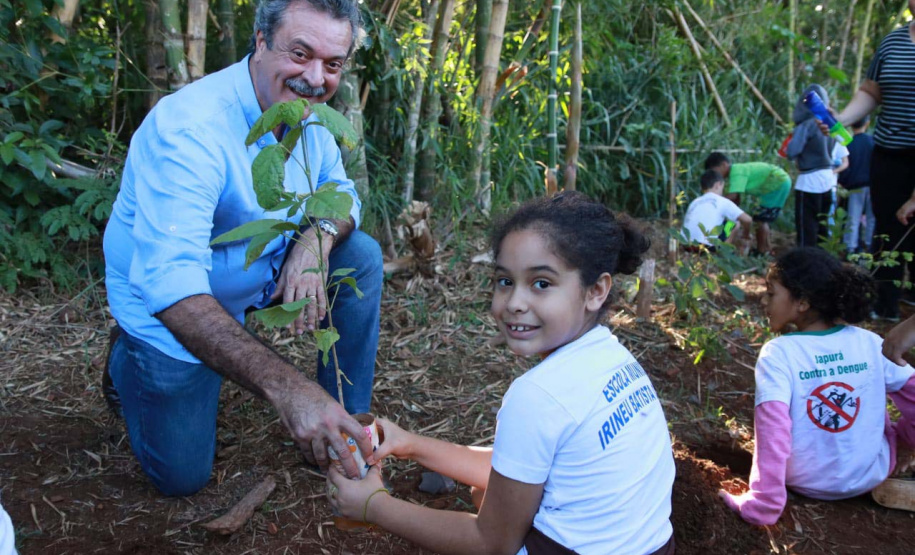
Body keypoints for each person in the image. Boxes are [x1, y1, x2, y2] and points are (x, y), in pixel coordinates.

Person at [102, 0, 383, 497]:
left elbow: (344, 196)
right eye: (300, 53)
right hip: (173, 306)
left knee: (358, 256)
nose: (316, 79)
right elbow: (174, 286)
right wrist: (290, 389)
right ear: (259, 40)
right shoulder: (190, 130)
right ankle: (129, 356)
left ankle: (343, 422)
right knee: (182, 478)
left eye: (333, 64)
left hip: (259, 274)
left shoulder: (310, 116)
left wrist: (315, 240)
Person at [326, 192, 676, 555]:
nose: (514, 303)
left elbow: (492, 543)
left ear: (595, 290)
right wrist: (410, 444)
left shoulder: (538, 396)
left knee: (489, 504)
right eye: (505, 281)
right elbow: (520, 465)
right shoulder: (614, 358)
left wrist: (374, 506)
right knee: (486, 492)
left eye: (541, 283)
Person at [719, 248, 915, 525]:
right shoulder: (868, 342)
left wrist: (764, 504)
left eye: (771, 292)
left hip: (805, 480)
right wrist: (907, 443)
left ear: (802, 302)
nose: (764, 300)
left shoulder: (779, 353)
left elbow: (773, 430)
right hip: (871, 474)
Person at [826, 0, 915, 318]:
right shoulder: (893, 40)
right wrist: (841, 119)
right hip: (888, 155)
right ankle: (885, 305)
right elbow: (871, 92)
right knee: (886, 232)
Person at [704, 152, 792, 255]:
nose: (716, 176)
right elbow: (735, 199)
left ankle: (761, 251)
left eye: (715, 172)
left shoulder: (736, 173)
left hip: (777, 184)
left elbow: (733, 197)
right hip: (777, 183)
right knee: (762, 219)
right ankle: (766, 248)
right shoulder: (737, 172)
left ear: (724, 165)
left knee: (760, 220)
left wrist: (715, 202)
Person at [786, 85, 841, 248]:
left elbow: (792, 151)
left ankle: (805, 268)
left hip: (809, 180)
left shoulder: (807, 125)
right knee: (823, 230)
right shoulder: (832, 124)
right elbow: (843, 145)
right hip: (829, 179)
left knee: (806, 231)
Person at [681, 169, 752, 253]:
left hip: (686, 244)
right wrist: (746, 234)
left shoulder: (695, 201)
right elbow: (748, 219)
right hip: (707, 247)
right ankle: (724, 251)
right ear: (718, 185)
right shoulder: (722, 201)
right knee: (735, 223)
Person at [838, 117, 876, 254]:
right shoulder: (873, 142)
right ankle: (870, 247)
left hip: (855, 187)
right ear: (867, 123)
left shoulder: (848, 144)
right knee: (871, 218)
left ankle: (850, 248)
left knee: (853, 218)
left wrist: (844, 182)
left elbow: (844, 166)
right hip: (873, 187)